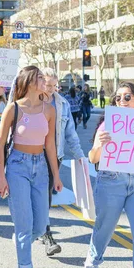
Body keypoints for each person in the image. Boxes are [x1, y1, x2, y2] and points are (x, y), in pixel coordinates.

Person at [0, 66, 63, 268]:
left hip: (40, 166)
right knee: (24, 223)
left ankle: (21, 240)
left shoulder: (50, 110)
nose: (44, 81)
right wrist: (1, 176)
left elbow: (50, 144)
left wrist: (56, 175)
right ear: (29, 82)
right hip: (17, 166)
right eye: (40, 77)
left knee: (41, 224)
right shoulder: (13, 109)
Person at [84, 82, 134, 268]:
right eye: (118, 98)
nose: (122, 101)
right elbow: (93, 158)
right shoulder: (107, 124)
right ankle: (93, 262)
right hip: (111, 180)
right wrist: (99, 145)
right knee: (105, 227)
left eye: (127, 97)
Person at [39, 68, 86, 257]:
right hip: (31, 155)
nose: (50, 89)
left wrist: (80, 156)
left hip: (54, 157)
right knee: (34, 197)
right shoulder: (30, 101)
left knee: (45, 197)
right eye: (47, 85)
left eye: (54, 85)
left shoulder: (63, 104)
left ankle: (45, 232)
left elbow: (71, 134)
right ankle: (38, 229)